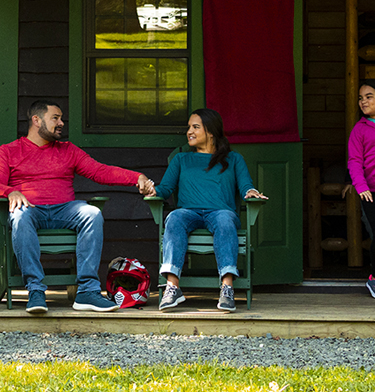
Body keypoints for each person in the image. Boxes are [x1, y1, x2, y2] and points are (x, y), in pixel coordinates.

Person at [0, 100, 155, 315]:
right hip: (30, 210)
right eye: (55, 118)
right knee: (19, 216)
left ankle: (87, 292)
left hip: (65, 210)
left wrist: (136, 177)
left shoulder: (68, 150)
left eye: (61, 118)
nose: (61, 123)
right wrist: (10, 191)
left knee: (92, 213)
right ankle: (35, 290)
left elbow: (100, 171)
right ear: (36, 120)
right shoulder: (9, 151)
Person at [147, 108, 268, 313]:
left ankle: (227, 288)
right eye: (189, 128)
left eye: (195, 127)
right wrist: (152, 190)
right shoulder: (181, 159)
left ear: (211, 132)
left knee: (224, 220)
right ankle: (172, 287)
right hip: (188, 212)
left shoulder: (234, 159)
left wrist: (251, 192)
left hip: (220, 212)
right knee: (174, 217)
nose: (189, 132)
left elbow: (246, 185)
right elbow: (165, 188)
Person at [348, 81, 375, 298]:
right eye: (360, 98)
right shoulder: (360, 129)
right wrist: (360, 186)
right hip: (370, 192)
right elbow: (355, 161)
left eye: (369, 96)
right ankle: (374, 279)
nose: (363, 101)